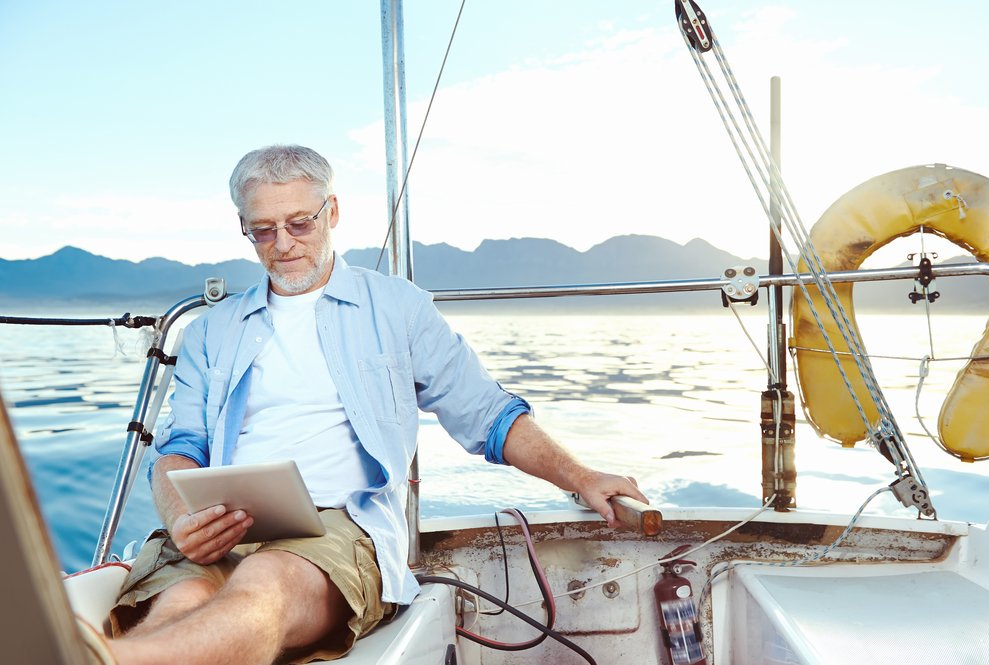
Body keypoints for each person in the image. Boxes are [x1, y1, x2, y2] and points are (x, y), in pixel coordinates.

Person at [107, 144, 648, 664]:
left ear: (332, 211)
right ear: (244, 229)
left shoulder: (396, 308)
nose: (283, 244)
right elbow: (180, 451)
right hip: (223, 524)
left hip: (339, 530)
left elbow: (488, 414)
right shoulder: (212, 330)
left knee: (264, 581)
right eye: (263, 230)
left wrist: (580, 475)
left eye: (300, 223)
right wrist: (183, 519)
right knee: (180, 601)